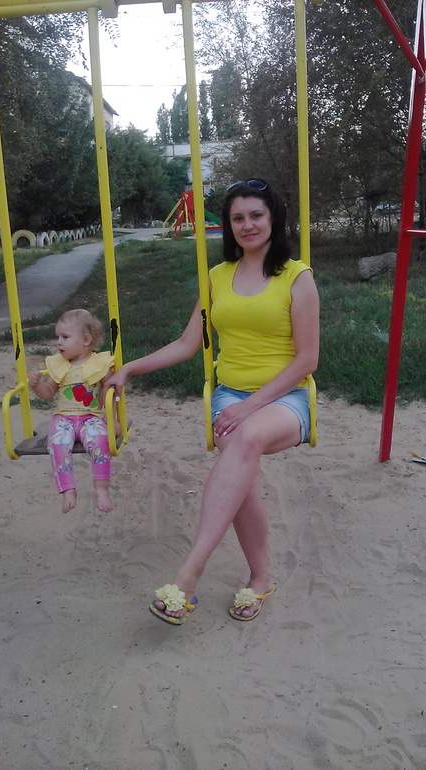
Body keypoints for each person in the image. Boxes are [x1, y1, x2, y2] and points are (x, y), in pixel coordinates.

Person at [101, 178, 320, 624]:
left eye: (256, 215)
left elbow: (307, 359)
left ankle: (188, 575)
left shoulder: (297, 277)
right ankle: (260, 578)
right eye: (238, 218)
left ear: (273, 218)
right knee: (240, 476)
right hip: (230, 396)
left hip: (286, 398)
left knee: (244, 438)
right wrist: (130, 368)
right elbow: (188, 343)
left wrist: (250, 405)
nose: (247, 225)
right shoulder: (218, 277)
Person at [29, 309, 119, 514]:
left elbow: (111, 391)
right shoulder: (59, 365)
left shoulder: (100, 364)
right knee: (57, 442)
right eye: (57, 337)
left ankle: (101, 490)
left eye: (65, 337)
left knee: (100, 440)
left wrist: (113, 419)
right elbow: (48, 392)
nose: (58, 342)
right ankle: (68, 489)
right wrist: (37, 386)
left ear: (86, 340)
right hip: (64, 418)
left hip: (91, 417)